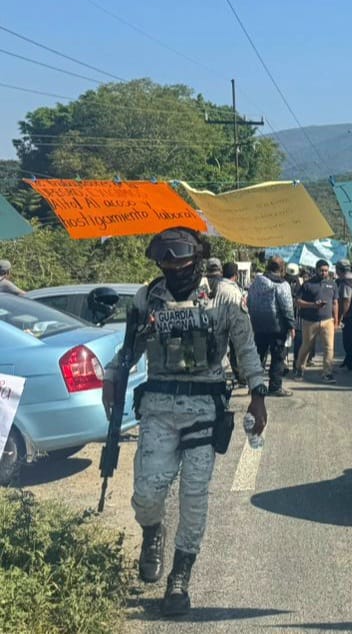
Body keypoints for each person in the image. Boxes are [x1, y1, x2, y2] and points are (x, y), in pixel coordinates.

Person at [101, 226, 267, 617]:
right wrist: (112, 375)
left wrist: (258, 395)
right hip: (158, 408)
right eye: (166, 262)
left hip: (205, 410)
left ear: (198, 259)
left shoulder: (225, 297)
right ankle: (152, 532)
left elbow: (245, 347)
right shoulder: (147, 297)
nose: (174, 268)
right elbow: (129, 348)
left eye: (181, 261)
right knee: (146, 493)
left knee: (194, 496)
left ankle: (180, 575)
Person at [247, 257, 294, 397]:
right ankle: (275, 387)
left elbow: (249, 301)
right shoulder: (282, 285)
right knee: (278, 357)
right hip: (277, 327)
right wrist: (291, 325)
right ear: (282, 268)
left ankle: (254, 385)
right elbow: (287, 307)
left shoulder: (256, 283)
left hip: (258, 325)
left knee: (258, 356)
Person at [294, 260, 339, 382]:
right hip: (310, 321)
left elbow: (335, 303)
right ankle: (299, 369)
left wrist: (336, 320)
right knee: (306, 346)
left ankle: (327, 373)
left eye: (326, 270)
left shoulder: (332, 284)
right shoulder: (307, 284)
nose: (324, 273)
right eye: (321, 270)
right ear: (316, 270)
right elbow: (298, 301)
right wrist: (313, 305)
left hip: (327, 321)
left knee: (329, 348)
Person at [335, 260, 352, 372]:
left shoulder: (346, 282)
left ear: (340, 270)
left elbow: (346, 300)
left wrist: (342, 316)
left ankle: (350, 361)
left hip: (349, 316)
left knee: (348, 340)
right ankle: (349, 359)